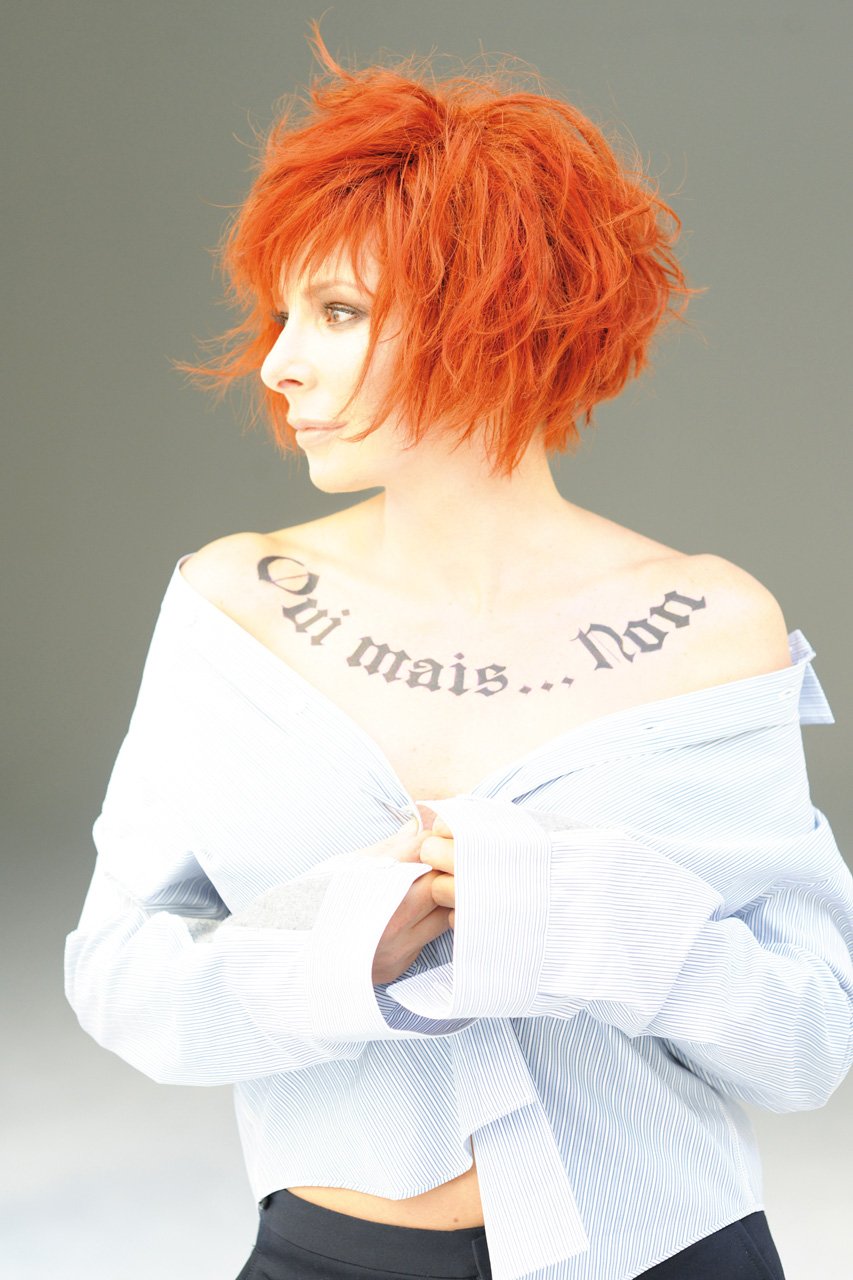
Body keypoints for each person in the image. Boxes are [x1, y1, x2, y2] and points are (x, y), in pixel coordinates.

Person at [64, 25, 853, 1280]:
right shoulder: (230, 608)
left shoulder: (716, 625)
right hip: (327, 1252)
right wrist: (335, 951)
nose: (278, 362)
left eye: (337, 310)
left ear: (491, 310)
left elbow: (809, 1042)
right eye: (284, 311)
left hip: (668, 1251)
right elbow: (117, 975)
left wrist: (604, 921)